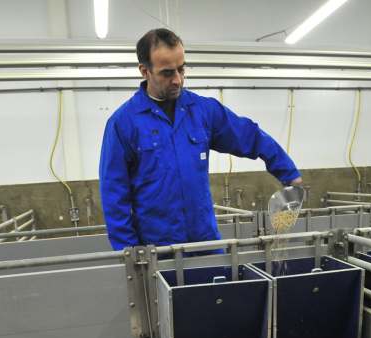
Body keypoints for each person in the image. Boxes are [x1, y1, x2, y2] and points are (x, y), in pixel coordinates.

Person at [98, 28, 302, 252]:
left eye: (182, 69)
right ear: (145, 71)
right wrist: (131, 253)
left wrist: (288, 172)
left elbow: (248, 134)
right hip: (158, 250)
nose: (178, 79)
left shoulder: (203, 111)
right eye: (167, 73)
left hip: (205, 241)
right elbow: (114, 195)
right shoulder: (123, 123)